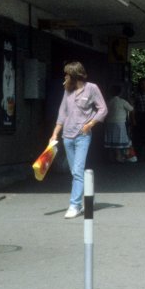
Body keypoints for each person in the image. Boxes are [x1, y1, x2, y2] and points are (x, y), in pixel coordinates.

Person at [49, 62, 107, 219]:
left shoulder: (92, 88)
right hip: (67, 136)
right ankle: (88, 194)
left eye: (67, 74)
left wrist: (90, 124)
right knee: (75, 171)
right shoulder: (68, 90)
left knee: (78, 171)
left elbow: (103, 108)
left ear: (75, 75)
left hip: (82, 136)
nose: (65, 77)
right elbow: (62, 112)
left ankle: (75, 205)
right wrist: (55, 133)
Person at [104, 84, 136, 163]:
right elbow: (131, 109)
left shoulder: (108, 102)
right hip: (120, 124)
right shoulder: (122, 101)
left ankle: (111, 157)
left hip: (109, 123)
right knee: (119, 141)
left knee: (111, 141)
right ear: (120, 93)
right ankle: (119, 157)